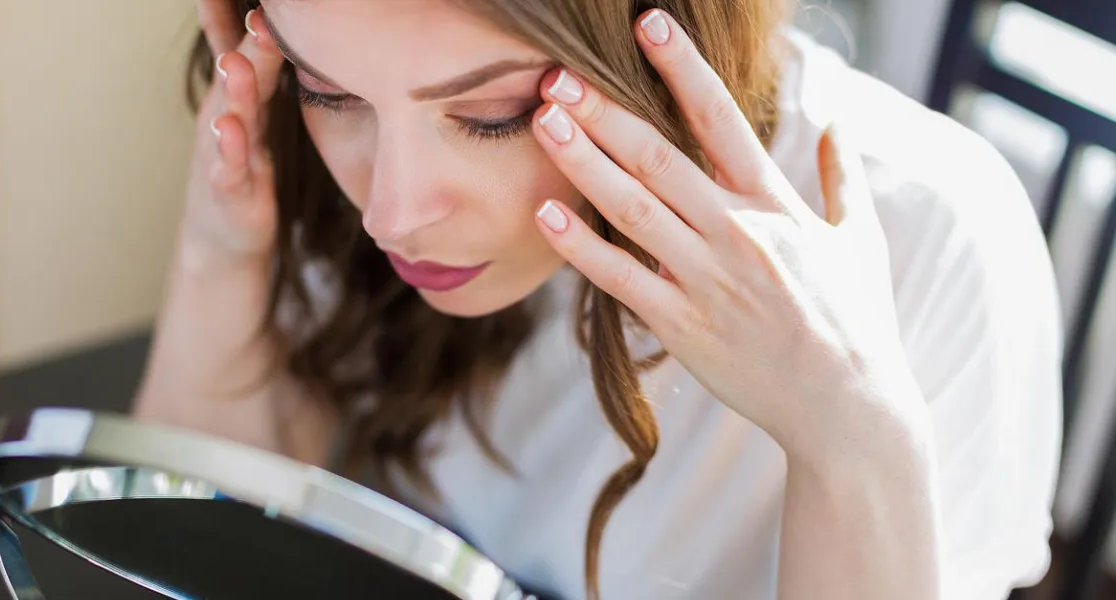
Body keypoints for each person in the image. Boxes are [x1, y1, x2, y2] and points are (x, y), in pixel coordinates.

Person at [132, 0, 1063, 598]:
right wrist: (223, 253)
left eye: (492, 115)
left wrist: (852, 437)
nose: (390, 213)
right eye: (328, 92)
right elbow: (182, 540)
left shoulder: (934, 236)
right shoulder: (339, 158)